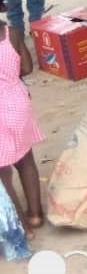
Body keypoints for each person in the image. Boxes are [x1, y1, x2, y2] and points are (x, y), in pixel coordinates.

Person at [0, 23, 44, 238]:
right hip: (17, 103)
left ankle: (23, 228)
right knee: (26, 162)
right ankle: (35, 215)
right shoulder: (12, 33)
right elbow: (26, 68)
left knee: (3, 175)